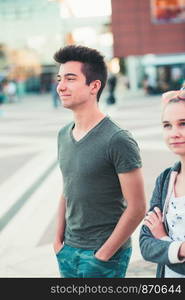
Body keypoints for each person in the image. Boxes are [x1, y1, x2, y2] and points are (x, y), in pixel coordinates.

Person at [53, 45, 146, 278]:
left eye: (70, 79)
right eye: (60, 78)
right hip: (68, 250)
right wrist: (57, 241)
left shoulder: (117, 139)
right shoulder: (63, 134)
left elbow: (137, 207)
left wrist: (104, 254)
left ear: (94, 86)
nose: (61, 86)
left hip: (104, 256)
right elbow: (67, 189)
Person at [139, 87, 185, 278]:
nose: (174, 133)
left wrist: (164, 239)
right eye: (167, 125)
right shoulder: (166, 178)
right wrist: (180, 250)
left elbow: (158, 245)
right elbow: (145, 244)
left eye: (183, 124)